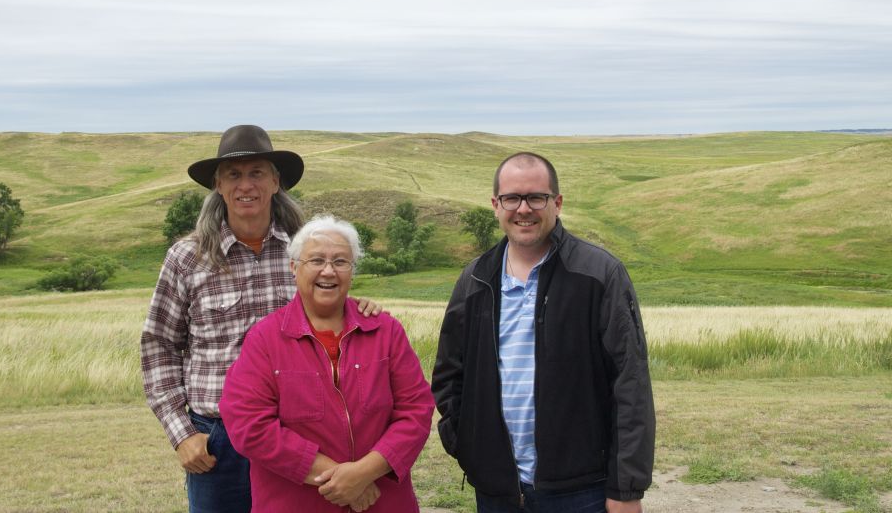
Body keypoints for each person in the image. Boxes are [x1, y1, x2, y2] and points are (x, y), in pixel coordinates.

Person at [141, 125, 381, 513]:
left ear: (275, 182)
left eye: (256, 173)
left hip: (298, 435)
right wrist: (181, 433)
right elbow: (159, 346)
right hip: (218, 439)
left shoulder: (304, 251)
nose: (245, 185)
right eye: (233, 175)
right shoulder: (187, 257)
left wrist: (359, 308)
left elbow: (330, 310)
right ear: (218, 185)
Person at [431, 152, 655, 513]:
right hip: (496, 489)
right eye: (512, 198)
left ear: (557, 203)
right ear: (495, 205)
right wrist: (469, 447)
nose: (524, 209)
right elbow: (448, 373)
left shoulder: (599, 274)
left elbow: (630, 385)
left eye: (536, 197)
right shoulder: (476, 278)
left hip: (581, 490)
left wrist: (626, 489)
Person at [220, 215, 434, 512]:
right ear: (294, 268)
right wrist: (338, 479)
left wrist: (363, 473)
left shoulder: (386, 331)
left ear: (352, 271)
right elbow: (248, 424)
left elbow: (416, 409)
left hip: (384, 503)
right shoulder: (265, 339)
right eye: (316, 260)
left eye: (341, 262)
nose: (329, 271)